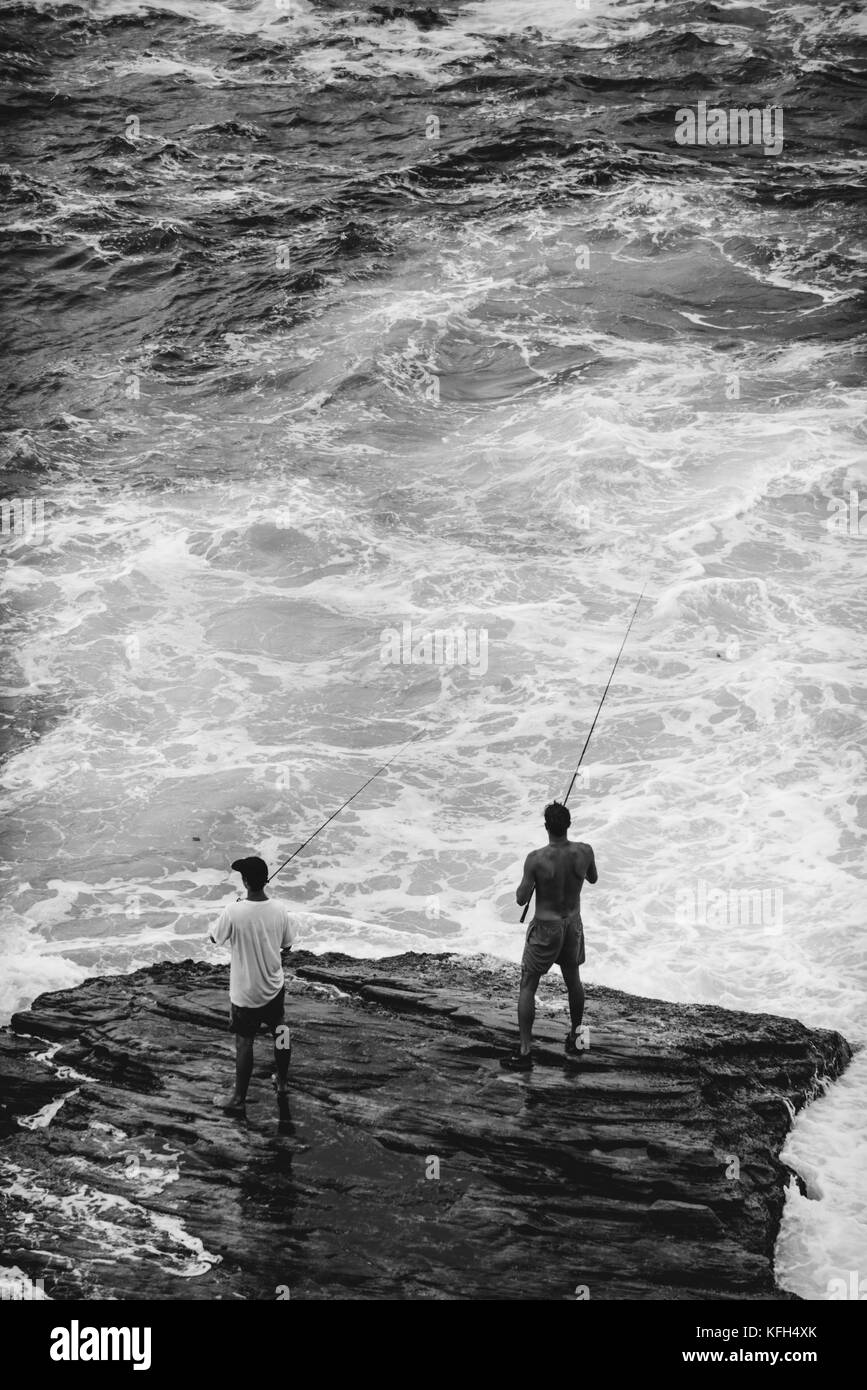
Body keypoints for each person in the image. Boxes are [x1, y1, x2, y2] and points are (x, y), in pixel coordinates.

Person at [501, 802, 597, 1071]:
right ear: (569, 824)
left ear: (546, 827)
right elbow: (593, 879)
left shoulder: (536, 858)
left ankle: (524, 1052)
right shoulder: (585, 851)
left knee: (528, 985)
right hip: (572, 924)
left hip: (545, 927)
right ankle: (577, 1037)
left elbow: (521, 899)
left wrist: (533, 884)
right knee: (573, 980)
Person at [208, 856, 297, 1117]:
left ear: (245, 882)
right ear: (265, 881)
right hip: (273, 986)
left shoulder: (233, 911)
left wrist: (237, 911)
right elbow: (287, 944)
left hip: (246, 992)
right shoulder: (279, 909)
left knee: (244, 1042)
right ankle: (281, 1082)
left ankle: (238, 1098)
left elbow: (215, 938)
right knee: (281, 1029)